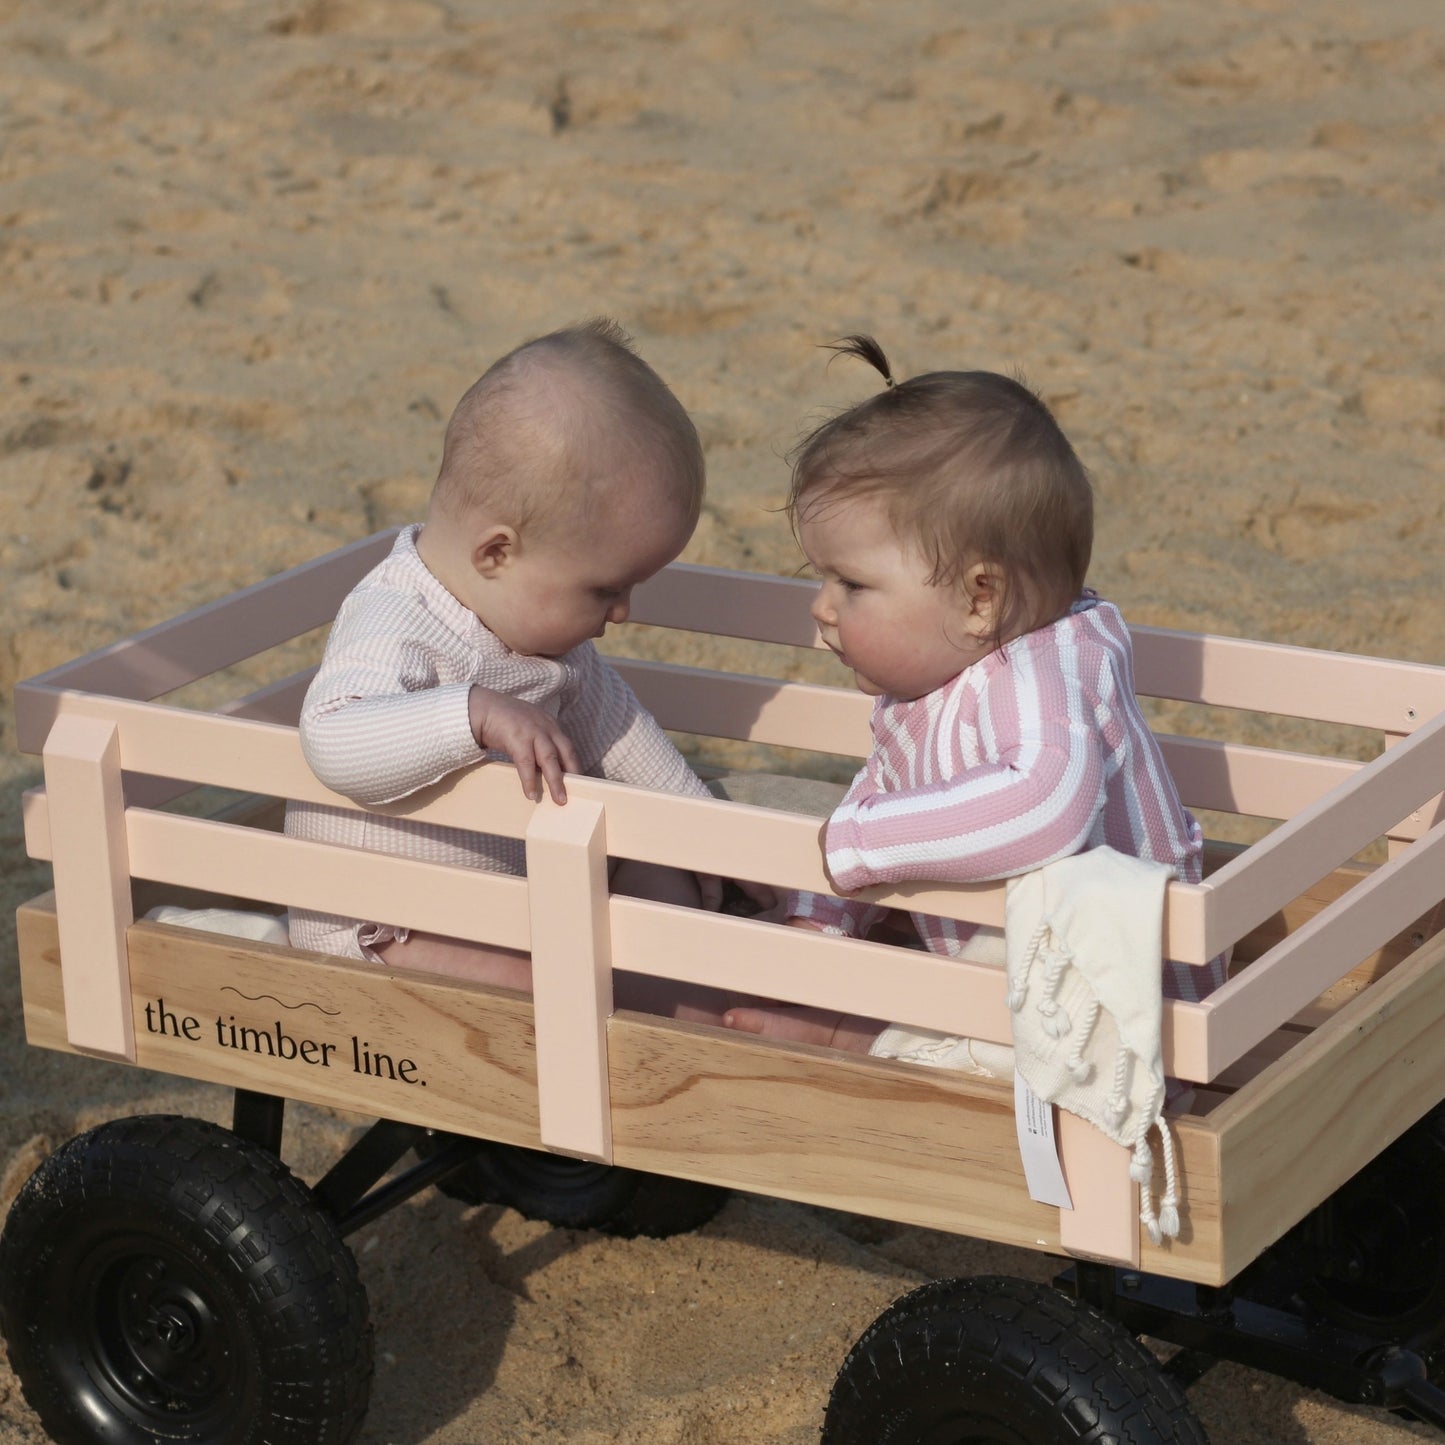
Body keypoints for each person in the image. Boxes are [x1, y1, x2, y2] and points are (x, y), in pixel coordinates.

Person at [725, 335, 1228, 1056]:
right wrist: (821, 913)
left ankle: (847, 1035)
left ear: (978, 597)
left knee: (933, 1012)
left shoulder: (1041, 678)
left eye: (852, 584)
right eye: (823, 578)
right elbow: (884, 791)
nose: (822, 607)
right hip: (1029, 993)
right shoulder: (937, 681)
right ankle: (850, 1015)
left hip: (1121, 1018)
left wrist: (862, 844)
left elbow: (1043, 805)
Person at [285, 318, 768, 1020]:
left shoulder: (544, 635)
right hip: (387, 928)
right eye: (604, 589)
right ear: (496, 554)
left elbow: (620, 729)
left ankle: (695, 983)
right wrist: (470, 712)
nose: (623, 610)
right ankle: (681, 1018)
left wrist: (695, 832)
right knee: (551, 986)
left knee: (661, 876)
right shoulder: (395, 618)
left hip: (513, 896)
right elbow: (334, 736)